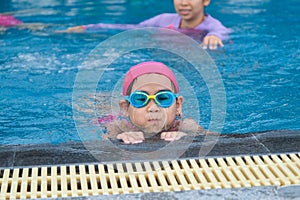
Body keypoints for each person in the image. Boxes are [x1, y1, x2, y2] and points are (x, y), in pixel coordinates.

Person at [100, 61, 206, 144]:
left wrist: (187, 139)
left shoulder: (186, 126)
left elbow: (216, 141)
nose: (153, 108)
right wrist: (118, 139)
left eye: (163, 98)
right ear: (125, 108)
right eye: (141, 99)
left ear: (178, 106)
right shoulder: (118, 126)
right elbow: (103, 148)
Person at [62, 0, 232, 50]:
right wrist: (90, 27)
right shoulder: (163, 20)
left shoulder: (211, 27)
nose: (183, 3)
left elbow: (220, 32)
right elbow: (129, 29)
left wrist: (213, 37)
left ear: (206, 1)